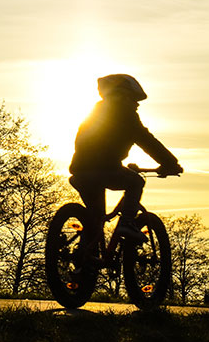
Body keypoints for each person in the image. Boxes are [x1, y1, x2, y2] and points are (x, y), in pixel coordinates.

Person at [69, 73, 182, 241]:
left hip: (80, 173)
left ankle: (86, 261)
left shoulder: (93, 114)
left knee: (96, 219)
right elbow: (148, 141)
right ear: (121, 96)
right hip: (106, 169)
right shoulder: (126, 116)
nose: (136, 104)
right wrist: (170, 163)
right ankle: (127, 223)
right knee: (136, 182)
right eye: (133, 98)